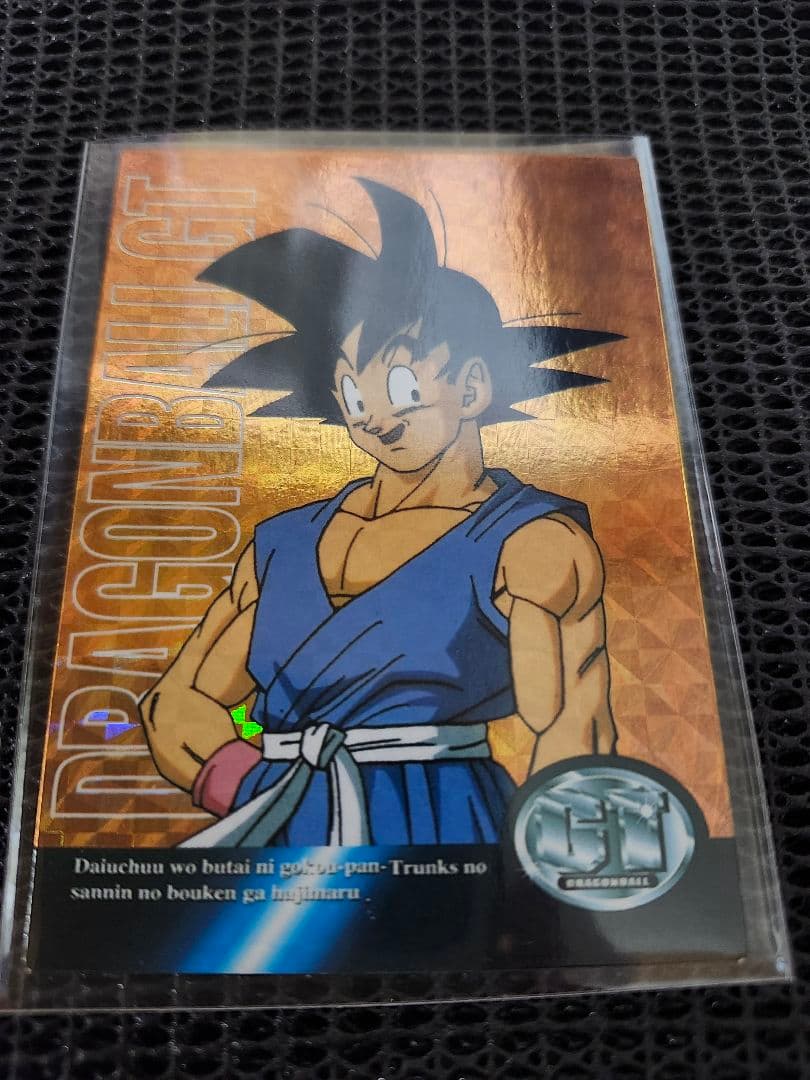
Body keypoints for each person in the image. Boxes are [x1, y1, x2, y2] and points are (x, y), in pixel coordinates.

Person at [139, 178, 621, 847]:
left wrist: (536, 874)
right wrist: (263, 795)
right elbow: (175, 705)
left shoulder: (533, 543)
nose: (374, 415)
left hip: (446, 828)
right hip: (278, 827)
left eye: (400, 382)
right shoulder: (281, 544)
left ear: (473, 386)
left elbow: (573, 729)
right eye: (353, 392)